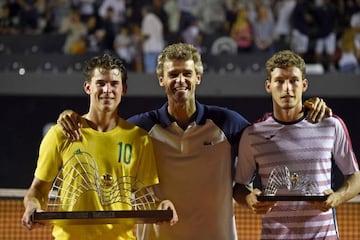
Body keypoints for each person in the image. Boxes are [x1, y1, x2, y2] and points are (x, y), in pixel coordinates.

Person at [56, 43, 331, 240]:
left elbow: (273, 133)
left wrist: (306, 109)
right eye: (173, 74)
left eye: (187, 74)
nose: (180, 80)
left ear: (198, 78)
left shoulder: (226, 123)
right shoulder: (142, 128)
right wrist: (71, 116)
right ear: (161, 80)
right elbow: (103, 133)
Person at [21, 53, 178, 240]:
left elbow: (145, 195)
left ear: (123, 89)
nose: (107, 90)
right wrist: (32, 205)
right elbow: (38, 190)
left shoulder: (139, 139)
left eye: (114, 84)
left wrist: (162, 204)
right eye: (100, 83)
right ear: (88, 87)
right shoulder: (60, 134)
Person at [233, 50, 360, 239]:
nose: (287, 88)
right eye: (279, 81)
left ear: (304, 84)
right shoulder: (253, 135)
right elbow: (240, 187)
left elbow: (355, 177)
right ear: (268, 86)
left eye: (293, 80)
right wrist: (250, 199)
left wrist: (337, 197)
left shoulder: (331, 125)